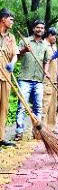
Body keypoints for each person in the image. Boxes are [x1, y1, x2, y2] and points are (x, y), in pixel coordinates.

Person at [15, 20, 50, 141]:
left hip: (39, 80)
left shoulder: (45, 45)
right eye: (38, 27)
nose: (40, 29)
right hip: (24, 78)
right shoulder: (25, 41)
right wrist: (24, 50)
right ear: (33, 29)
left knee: (38, 107)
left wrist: (46, 71)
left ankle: (37, 132)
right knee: (22, 106)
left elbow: (46, 61)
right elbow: (16, 55)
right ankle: (19, 132)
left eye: (42, 28)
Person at [0, 8, 17, 147]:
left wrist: (12, 63)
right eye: (11, 19)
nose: (12, 22)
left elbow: (15, 54)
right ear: (3, 19)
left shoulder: (11, 38)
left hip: (6, 76)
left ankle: (1, 137)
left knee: (4, 107)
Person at [42, 27, 58, 134]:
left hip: (55, 80)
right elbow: (43, 61)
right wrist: (52, 57)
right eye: (54, 35)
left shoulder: (53, 47)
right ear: (49, 35)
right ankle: (43, 129)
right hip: (47, 80)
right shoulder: (44, 45)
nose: (55, 38)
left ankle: (51, 127)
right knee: (45, 104)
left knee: (54, 105)